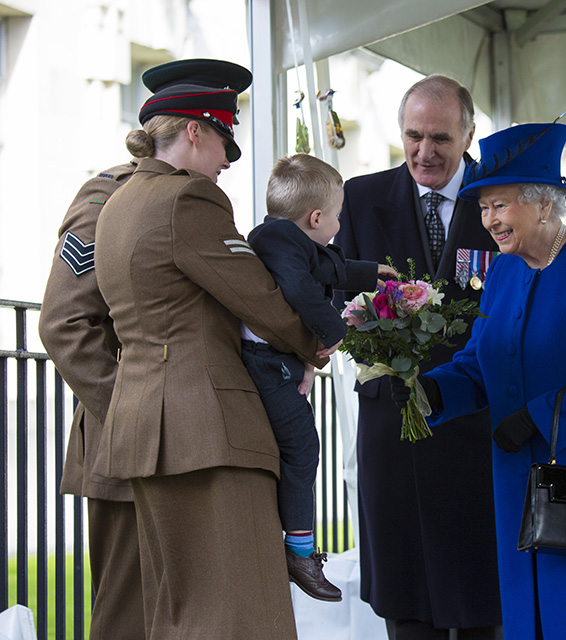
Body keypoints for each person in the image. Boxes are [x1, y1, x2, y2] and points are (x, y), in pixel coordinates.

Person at [394, 121, 566, 639]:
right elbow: (480, 362)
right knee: (534, 618)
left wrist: (537, 417)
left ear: (544, 204)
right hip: (517, 477)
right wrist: (431, 392)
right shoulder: (502, 273)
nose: (489, 220)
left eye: (500, 206)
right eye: (483, 208)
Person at [91, 58, 329, 638]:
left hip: (148, 431)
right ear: (194, 130)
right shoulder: (189, 200)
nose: (227, 159)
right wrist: (314, 345)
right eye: (224, 139)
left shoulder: (119, 200)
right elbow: (257, 295)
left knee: (183, 612)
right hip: (208, 431)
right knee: (243, 614)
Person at [333, 74, 502, 640]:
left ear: (469, 135)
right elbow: (334, 293)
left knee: (481, 592)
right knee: (406, 595)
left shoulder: (501, 198)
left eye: (440, 139)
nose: (424, 152)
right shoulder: (359, 198)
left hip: (478, 423)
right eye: (413, 136)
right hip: (393, 423)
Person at [240, 153, 396, 601]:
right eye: (337, 216)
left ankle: (296, 544)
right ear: (315, 217)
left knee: (299, 447)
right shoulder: (279, 244)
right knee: (303, 446)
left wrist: (374, 273)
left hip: (281, 362)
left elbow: (331, 268)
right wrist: (332, 336)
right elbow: (302, 289)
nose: (340, 225)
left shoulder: (288, 238)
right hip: (268, 364)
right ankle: (300, 551)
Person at [39, 159, 146, 639]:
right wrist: (135, 413)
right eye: (218, 135)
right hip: (126, 441)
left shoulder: (182, 197)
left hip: (181, 436)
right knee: (128, 614)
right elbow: (65, 325)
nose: (228, 158)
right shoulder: (109, 198)